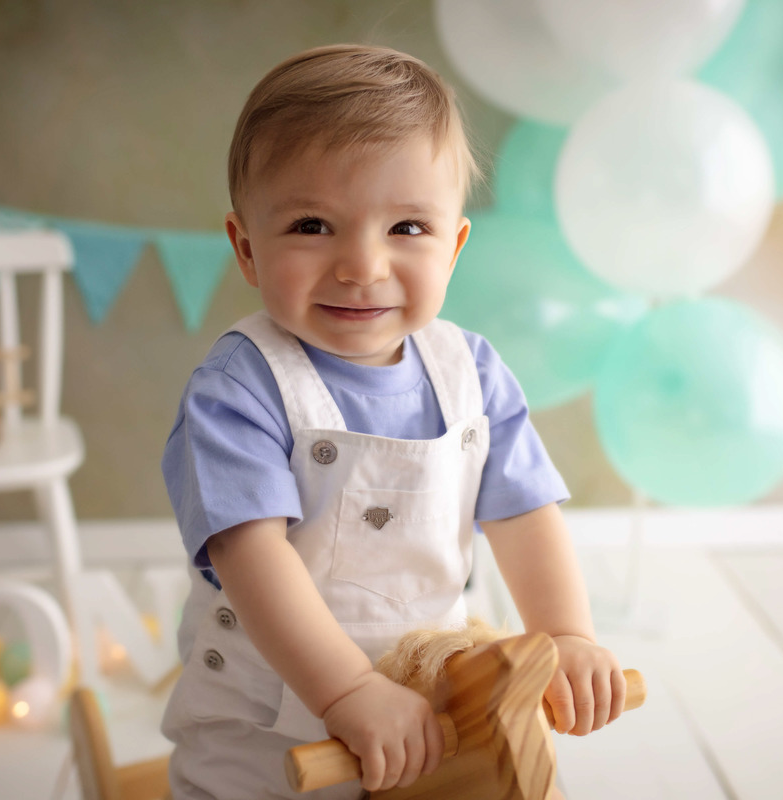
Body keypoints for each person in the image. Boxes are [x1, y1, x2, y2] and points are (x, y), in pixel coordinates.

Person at [161, 43, 626, 800]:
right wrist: (347, 690)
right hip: (268, 725)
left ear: (454, 245)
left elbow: (525, 514)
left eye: (407, 228)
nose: (362, 266)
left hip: (427, 699)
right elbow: (251, 557)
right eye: (312, 225)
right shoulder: (238, 391)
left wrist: (566, 635)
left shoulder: (471, 373)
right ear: (246, 248)